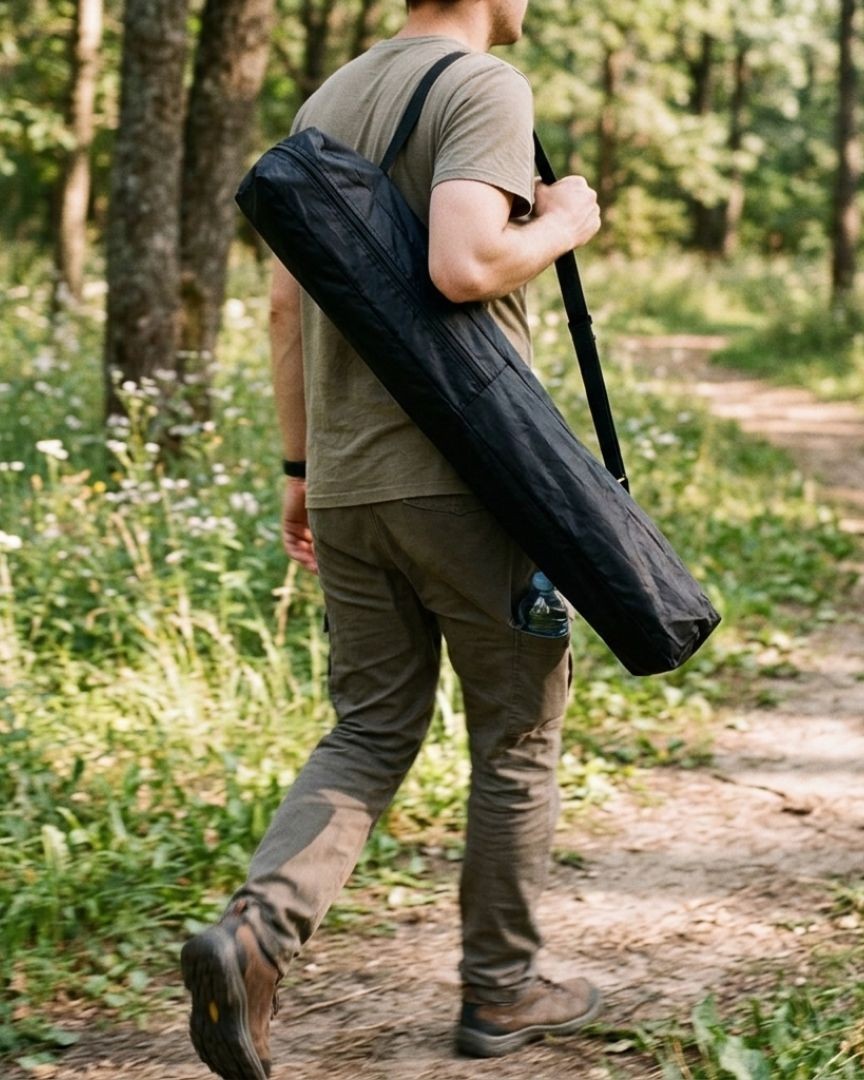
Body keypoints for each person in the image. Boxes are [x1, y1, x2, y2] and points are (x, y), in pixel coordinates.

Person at [181, 1, 603, 1076]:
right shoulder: (482, 87)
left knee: (369, 728)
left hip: (349, 482)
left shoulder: (330, 97)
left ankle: (254, 939)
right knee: (516, 733)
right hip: (469, 481)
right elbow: (465, 265)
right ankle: (502, 990)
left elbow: (285, 305)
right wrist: (565, 219)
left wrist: (300, 470)